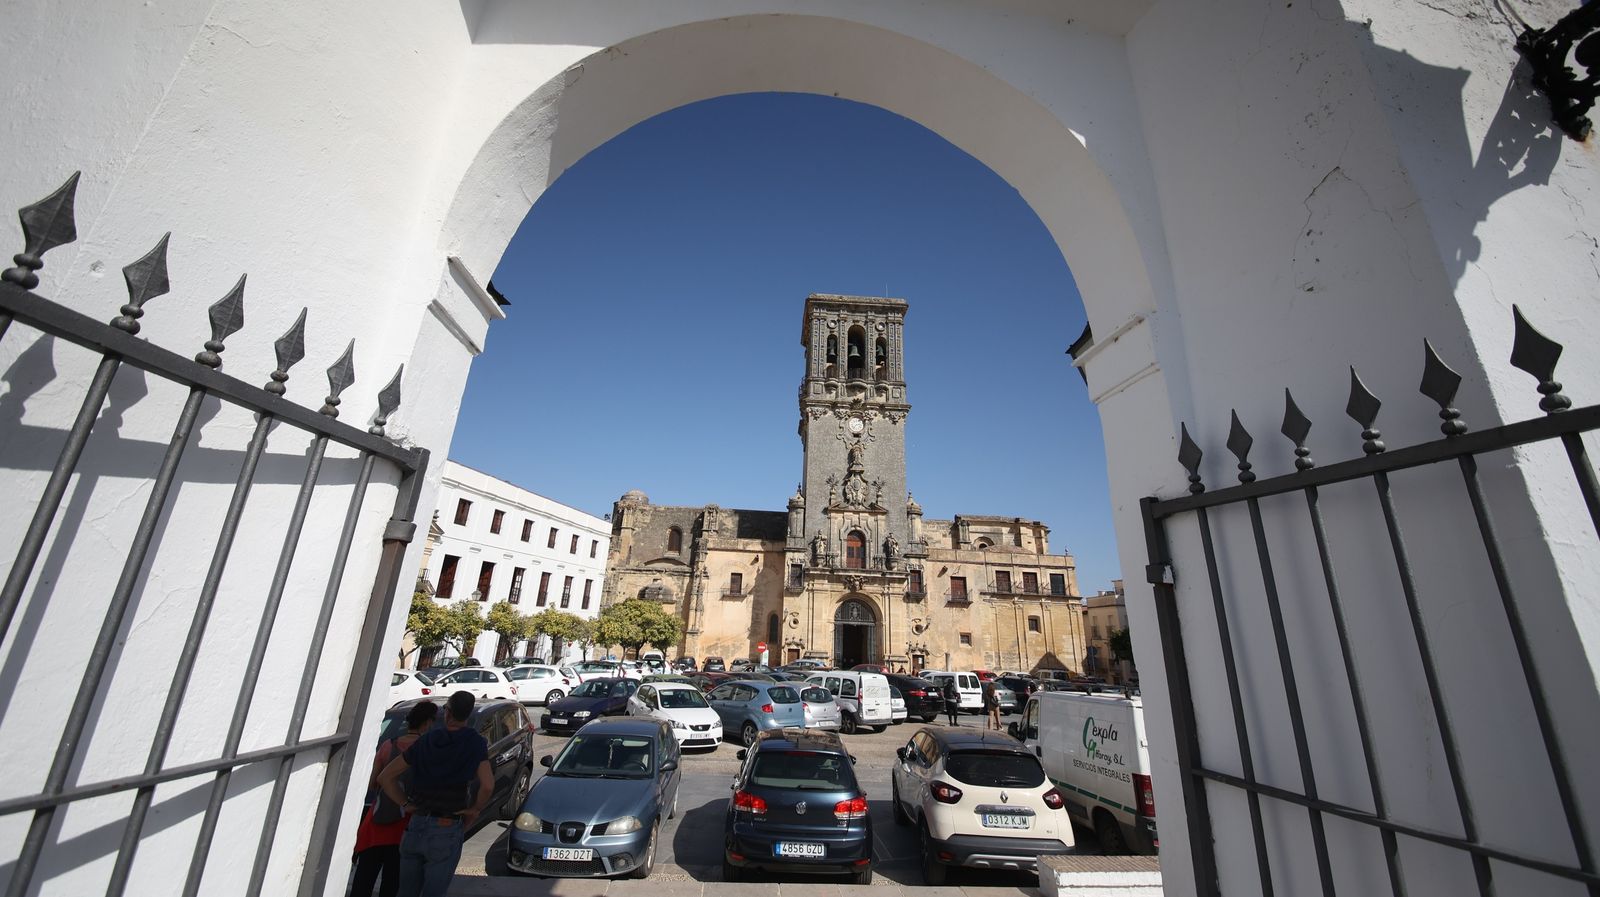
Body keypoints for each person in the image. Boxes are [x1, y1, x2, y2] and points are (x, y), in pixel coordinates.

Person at [377, 691, 494, 897]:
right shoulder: (474, 742)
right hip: (446, 827)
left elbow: (386, 777)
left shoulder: (427, 740)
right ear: (467, 715)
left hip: (416, 824)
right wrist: (474, 809)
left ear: (447, 713)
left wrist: (404, 804)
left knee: (405, 892)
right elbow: (487, 785)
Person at [351, 701, 438, 897]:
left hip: (377, 821)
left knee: (363, 881)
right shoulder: (428, 750)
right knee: (392, 883)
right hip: (405, 824)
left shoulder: (387, 746)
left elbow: (372, 783)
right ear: (427, 723)